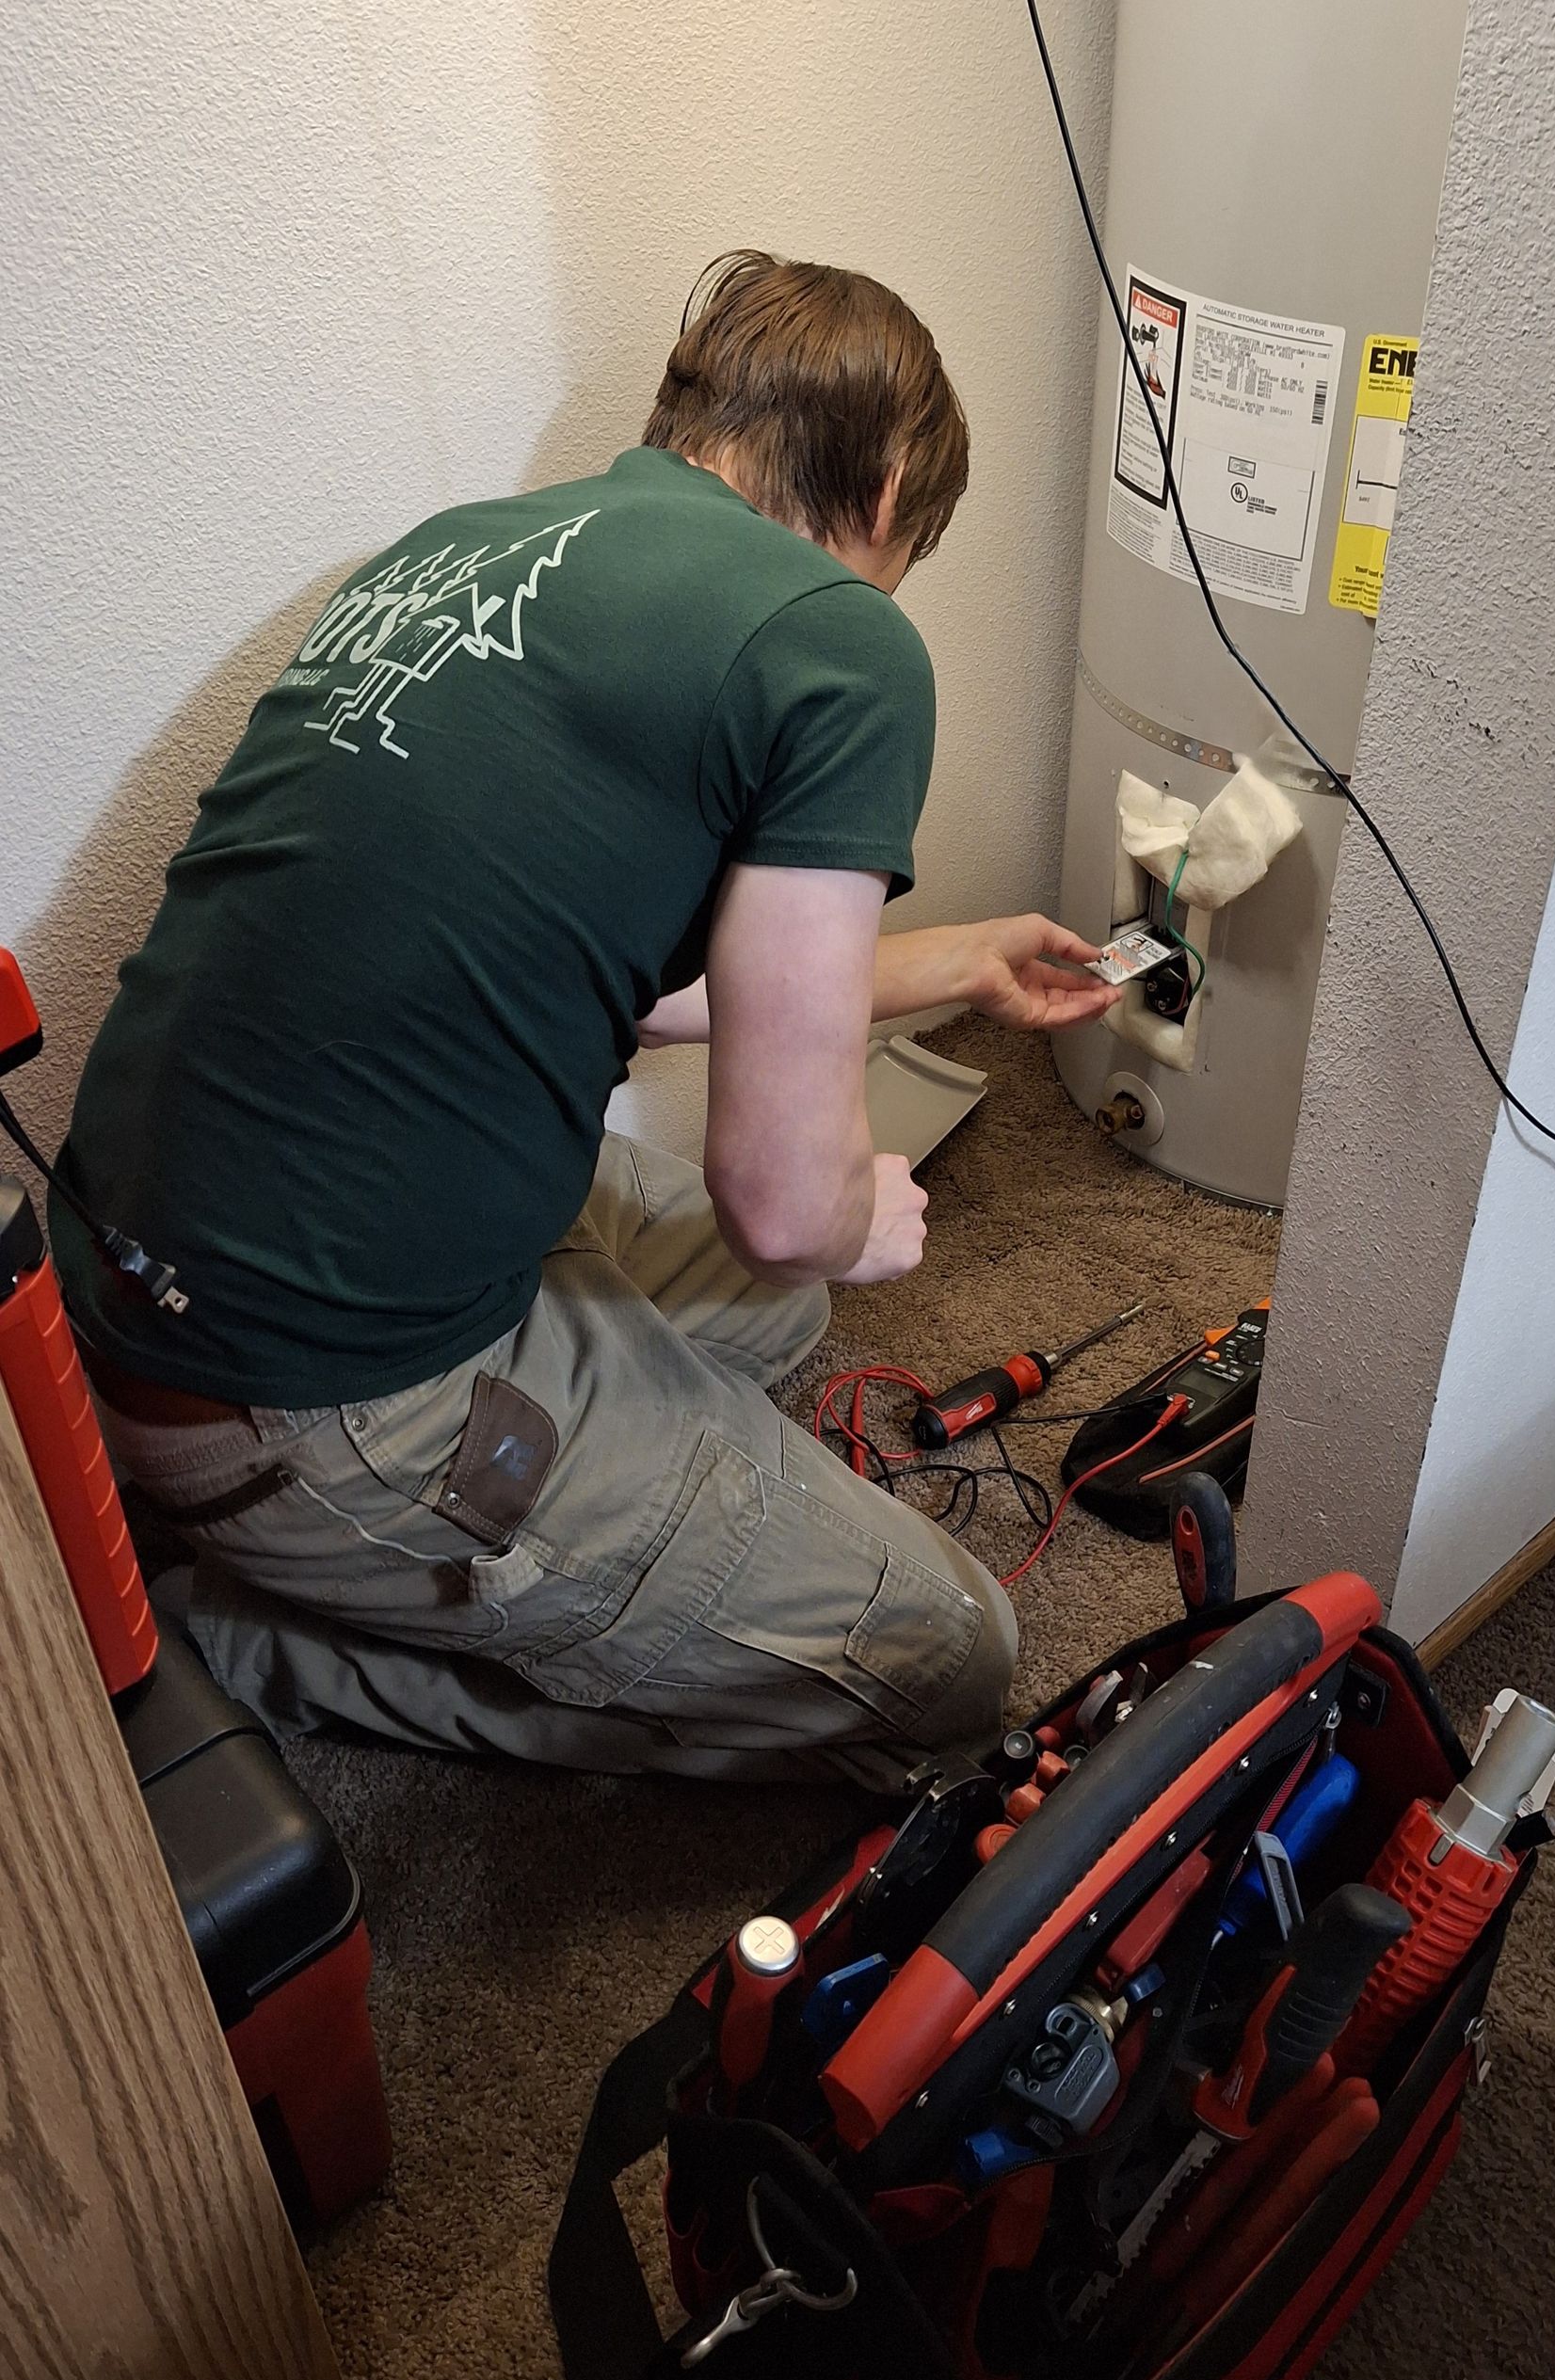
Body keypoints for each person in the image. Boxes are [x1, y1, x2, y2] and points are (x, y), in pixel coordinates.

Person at [53, 250, 1115, 1788]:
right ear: (887, 490)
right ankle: (249, 1645)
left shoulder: (464, 549)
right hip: (313, 1392)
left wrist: (957, 964)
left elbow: (647, 980)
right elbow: (774, 1199)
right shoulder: (844, 638)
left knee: (772, 1324)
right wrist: (851, 1216)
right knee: (945, 1657)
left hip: (148, 1281)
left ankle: (554, 1520)